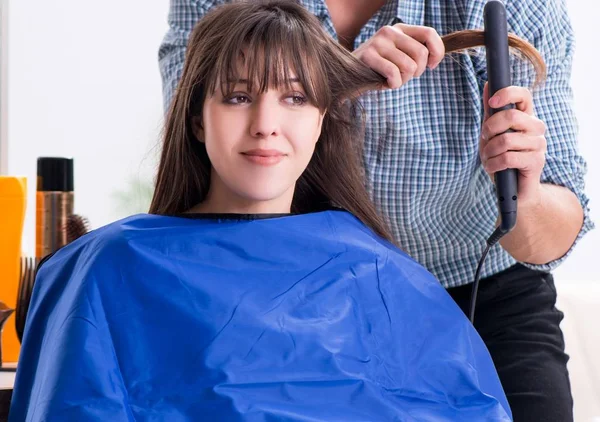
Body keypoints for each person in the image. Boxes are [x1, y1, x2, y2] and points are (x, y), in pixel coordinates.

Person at [9, 1, 514, 420]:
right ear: (196, 119)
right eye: (237, 96)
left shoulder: (381, 274)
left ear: (322, 119)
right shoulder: (109, 268)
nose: (265, 123)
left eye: (295, 97)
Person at [157, 0, 593, 421]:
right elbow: (216, 143)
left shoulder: (511, 5)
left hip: (484, 298)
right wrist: (335, 79)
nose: (266, 121)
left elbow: (552, 234)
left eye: (294, 98)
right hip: (301, 294)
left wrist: (525, 193)